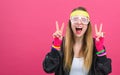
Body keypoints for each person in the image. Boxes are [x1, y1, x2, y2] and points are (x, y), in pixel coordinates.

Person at [42, 6, 112, 75]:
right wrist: (56, 46)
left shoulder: (95, 45)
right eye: (75, 19)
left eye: (84, 20)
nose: (79, 22)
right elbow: (48, 68)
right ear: (70, 23)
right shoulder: (61, 44)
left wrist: (100, 50)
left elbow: (105, 71)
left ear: (87, 25)